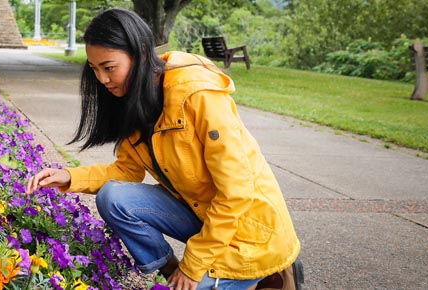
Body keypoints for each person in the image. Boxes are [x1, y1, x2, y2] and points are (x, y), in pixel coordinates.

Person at [26, 8, 301, 290]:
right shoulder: (136, 100)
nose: (102, 80)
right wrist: (70, 177)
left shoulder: (199, 96)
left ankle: (268, 272)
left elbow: (237, 192)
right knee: (114, 196)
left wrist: (194, 268)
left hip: (249, 232)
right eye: (95, 69)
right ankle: (172, 272)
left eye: (109, 68)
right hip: (203, 215)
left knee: (196, 277)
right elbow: (126, 171)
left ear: (142, 54)